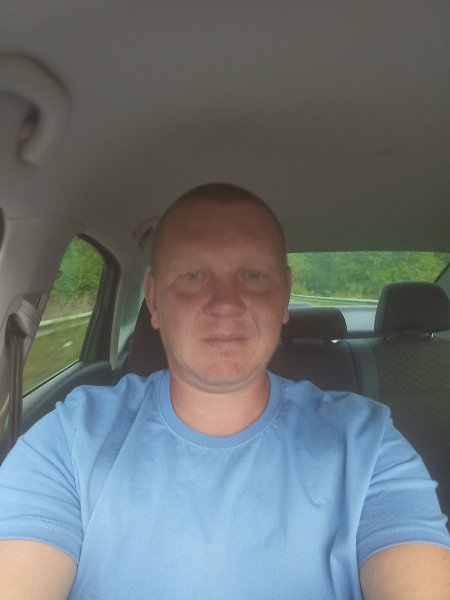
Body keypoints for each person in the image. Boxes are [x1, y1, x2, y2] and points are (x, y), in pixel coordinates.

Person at [0, 183, 449, 599]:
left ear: (284, 295)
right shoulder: (70, 438)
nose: (225, 303)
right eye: (194, 275)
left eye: (252, 275)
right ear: (153, 301)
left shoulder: (366, 443)